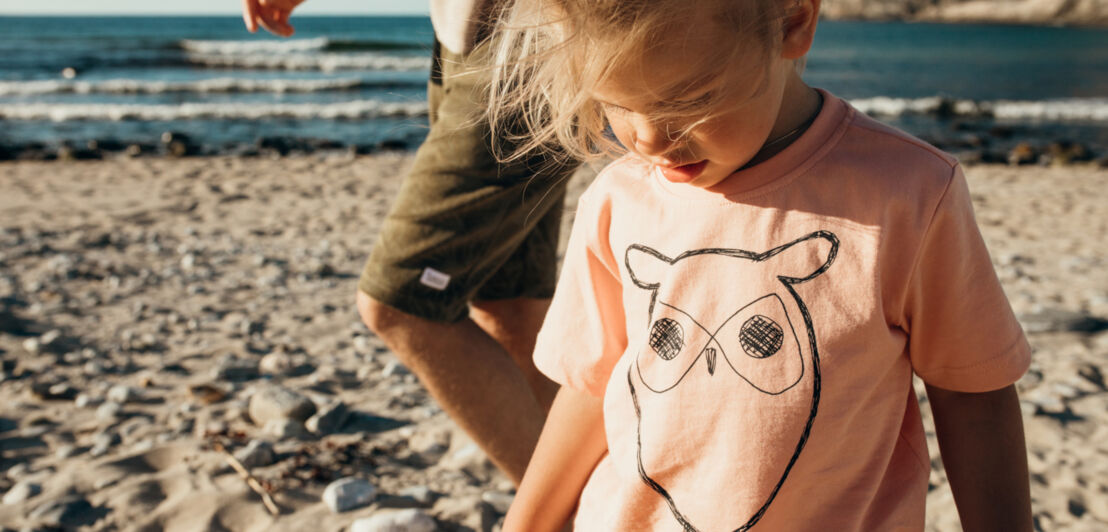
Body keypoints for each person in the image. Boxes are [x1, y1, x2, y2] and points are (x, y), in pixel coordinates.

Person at [485, 0, 1034, 530]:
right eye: (617, 104)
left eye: (688, 98)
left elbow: (972, 392)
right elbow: (595, 387)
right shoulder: (617, 199)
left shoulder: (908, 193)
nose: (651, 139)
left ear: (792, 19)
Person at [242, 0, 579, 484]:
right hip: (465, 37)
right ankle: (597, 502)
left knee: (401, 304)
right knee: (509, 305)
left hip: (529, 43)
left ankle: (572, 516)